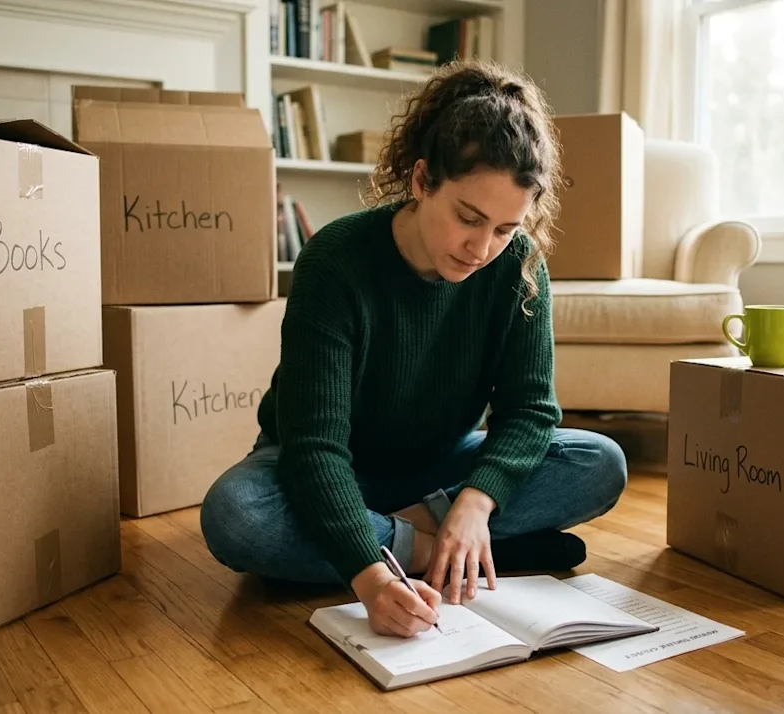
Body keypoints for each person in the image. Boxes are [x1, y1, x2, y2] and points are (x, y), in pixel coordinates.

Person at [200, 59, 628, 639]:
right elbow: (315, 449)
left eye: (504, 228)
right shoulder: (336, 262)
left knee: (599, 462)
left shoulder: (517, 264)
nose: (482, 248)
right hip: (321, 463)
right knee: (235, 516)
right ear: (423, 181)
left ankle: (401, 539)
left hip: (439, 467)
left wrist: (474, 505)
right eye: (469, 218)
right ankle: (439, 550)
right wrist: (374, 581)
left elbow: (529, 413)